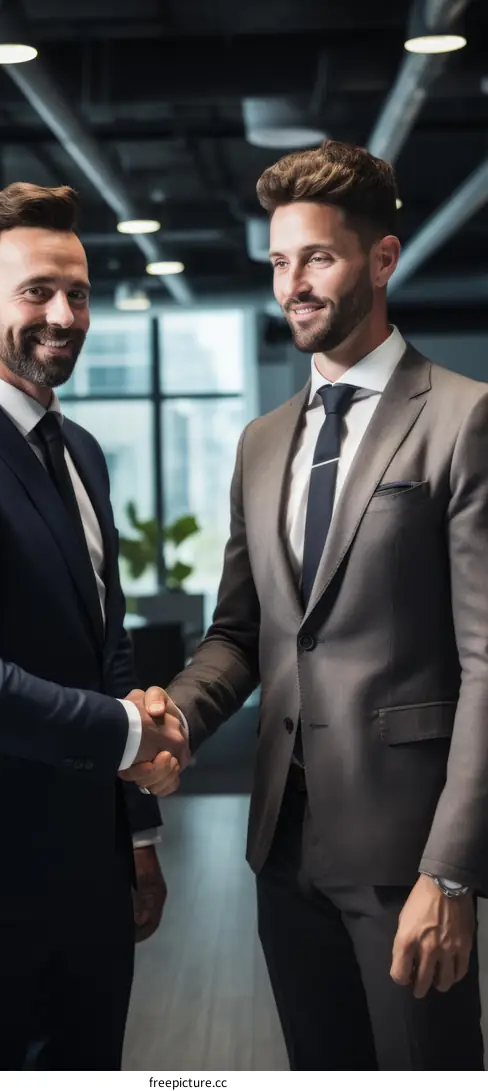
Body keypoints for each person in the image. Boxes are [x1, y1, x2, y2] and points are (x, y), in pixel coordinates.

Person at [122, 141, 488, 1070]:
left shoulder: (462, 418)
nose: (294, 285)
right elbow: (241, 632)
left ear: (382, 258)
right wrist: (177, 716)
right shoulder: (261, 440)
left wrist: (450, 871)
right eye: (281, 262)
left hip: (408, 854)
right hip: (281, 850)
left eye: (317, 258)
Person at [0, 182, 188, 1071]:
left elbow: (109, 650)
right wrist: (136, 731)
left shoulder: (81, 448)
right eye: (37, 291)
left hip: (89, 876)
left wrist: (135, 835)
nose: (64, 315)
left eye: (79, 292)